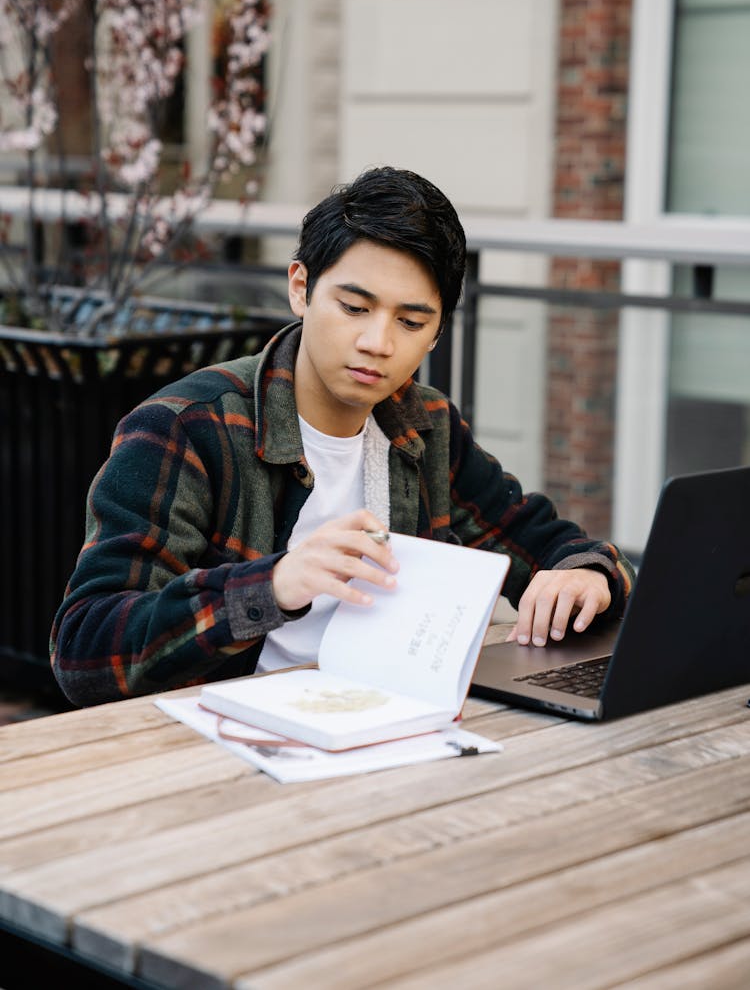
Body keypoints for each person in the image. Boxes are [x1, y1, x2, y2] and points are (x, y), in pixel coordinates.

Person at [51, 166, 634, 706]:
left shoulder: (424, 425)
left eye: (410, 322)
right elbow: (84, 651)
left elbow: (539, 537)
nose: (378, 342)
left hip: (389, 720)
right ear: (301, 288)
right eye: (354, 307)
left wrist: (587, 574)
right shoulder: (187, 427)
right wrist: (272, 586)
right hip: (229, 739)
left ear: (435, 334)